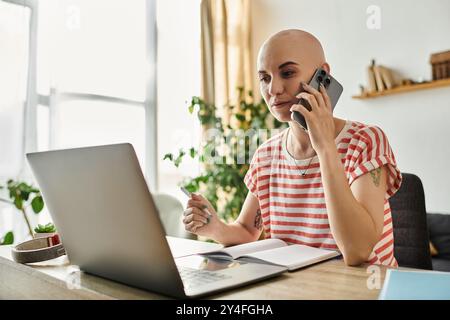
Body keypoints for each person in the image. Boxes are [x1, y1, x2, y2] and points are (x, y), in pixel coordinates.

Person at [183, 29, 402, 266]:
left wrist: (325, 146)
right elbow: (247, 231)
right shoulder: (266, 156)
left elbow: (357, 251)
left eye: (287, 73)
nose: (273, 89)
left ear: (323, 75)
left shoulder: (366, 141)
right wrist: (216, 228)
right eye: (264, 78)